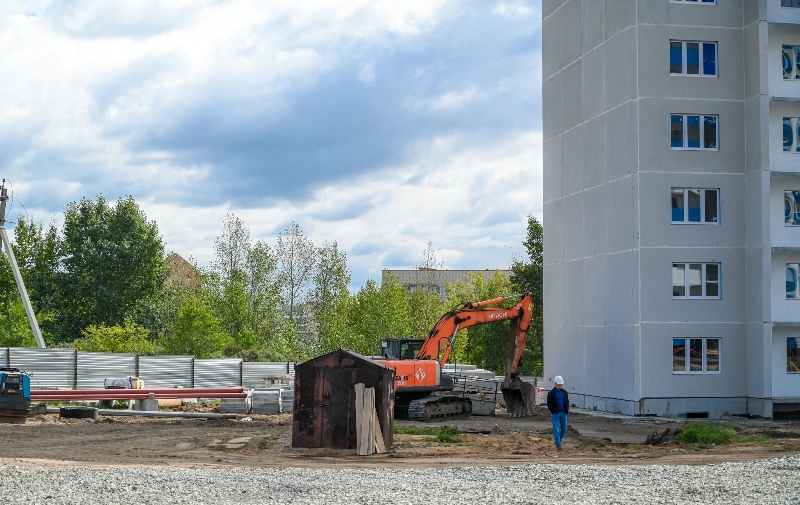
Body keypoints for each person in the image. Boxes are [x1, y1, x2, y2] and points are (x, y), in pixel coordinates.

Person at [546, 375, 569, 452]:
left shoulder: (565, 393)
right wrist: (553, 411)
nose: (560, 386)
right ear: (555, 384)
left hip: (563, 413)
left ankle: (557, 440)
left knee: (564, 429)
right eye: (559, 385)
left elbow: (567, 402)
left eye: (561, 385)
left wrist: (567, 410)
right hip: (555, 413)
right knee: (556, 429)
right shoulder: (551, 393)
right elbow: (549, 403)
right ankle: (559, 445)